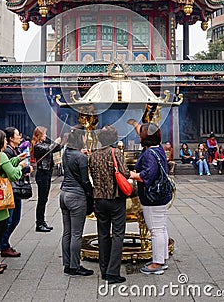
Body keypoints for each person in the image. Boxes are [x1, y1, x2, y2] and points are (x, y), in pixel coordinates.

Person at [0, 129, 28, 276]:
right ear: (0, 141)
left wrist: (17, 159)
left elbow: (4, 165)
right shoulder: (0, 155)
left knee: (0, 228)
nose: (6, 142)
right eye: (5, 140)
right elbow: (13, 175)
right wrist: (21, 167)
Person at [89, 125, 130, 284]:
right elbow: (125, 173)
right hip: (115, 199)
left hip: (99, 199)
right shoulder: (116, 152)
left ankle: (104, 270)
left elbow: (92, 174)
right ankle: (113, 272)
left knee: (103, 234)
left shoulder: (93, 155)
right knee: (118, 234)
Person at [130, 122, 171, 275]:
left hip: (153, 197)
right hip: (162, 195)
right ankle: (162, 258)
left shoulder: (149, 154)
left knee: (155, 229)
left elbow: (149, 174)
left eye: (141, 134)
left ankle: (157, 263)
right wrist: (137, 126)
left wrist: (134, 175)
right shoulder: (158, 149)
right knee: (161, 227)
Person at [59, 126, 94, 277]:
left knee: (67, 231)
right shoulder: (81, 157)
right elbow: (85, 180)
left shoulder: (66, 152)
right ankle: (75, 266)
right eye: (85, 136)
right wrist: (91, 194)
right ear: (80, 138)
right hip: (76, 196)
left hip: (64, 194)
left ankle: (67, 264)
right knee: (76, 233)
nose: (86, 139)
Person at [0, 127, 32, 258]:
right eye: (17, 135)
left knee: (15, 219)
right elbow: (10, 170)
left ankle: (4, 243)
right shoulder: (7, 152)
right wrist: (25, 167)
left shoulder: (15, 150)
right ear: (11, 138)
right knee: (10, 219)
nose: (20, 136)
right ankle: (3, 245)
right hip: (10, 189)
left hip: (15, 189)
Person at [31, 126, 61, 232]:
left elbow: (55, 149)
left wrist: (61, 142)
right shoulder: (38, 146)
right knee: (41, 199)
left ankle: (42, 221)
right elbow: (49, 149)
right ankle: (39, 223)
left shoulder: (44, 144)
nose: (46, 136)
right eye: (44, 134)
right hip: (42, 174)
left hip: (47, 173)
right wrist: (56, 142)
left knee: (44, 199)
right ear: (39, 135)